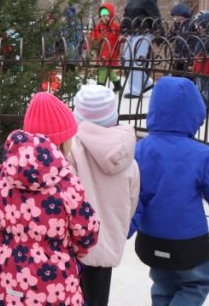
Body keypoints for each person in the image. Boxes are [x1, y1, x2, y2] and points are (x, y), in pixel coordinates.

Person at [0, 92, 100, 305]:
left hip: (5, 281)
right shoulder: (67, 185)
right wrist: (71, 249)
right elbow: (87, 234)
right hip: (54, 286)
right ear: (62, 141)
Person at [132, 76, 209, 306]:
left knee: (163, 285)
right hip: (188, 242)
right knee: (198, 282)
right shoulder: (201, 154)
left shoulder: (140, 149)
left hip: (150, 239)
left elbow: (131, 193)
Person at [68, 83, 139, 306]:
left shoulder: (71, 150)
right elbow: (132, 200)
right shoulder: (127, 155)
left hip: (74, 245)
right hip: (106, 244)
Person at [121, 0, 161, 99]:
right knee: (127, 59)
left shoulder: (150, 0)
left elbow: (156, 17)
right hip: (132, 33)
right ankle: (147, 83)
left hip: (145, 33)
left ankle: (136, 90)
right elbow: (126, 15)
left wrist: (159, 34)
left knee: (137, 61)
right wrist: (123, 31)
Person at [90, 2, 123, 93]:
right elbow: (93, 38)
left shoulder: (116, 27)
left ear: (111, 15)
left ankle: (100, 89)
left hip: (112, 53)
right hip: (101, 53)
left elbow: (121, 37)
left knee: (103, 71)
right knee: (107, 70)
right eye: (102, 15)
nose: (104, 18)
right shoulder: (98, 27)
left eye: (107, 15)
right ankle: (118, 86)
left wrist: (122, 37)